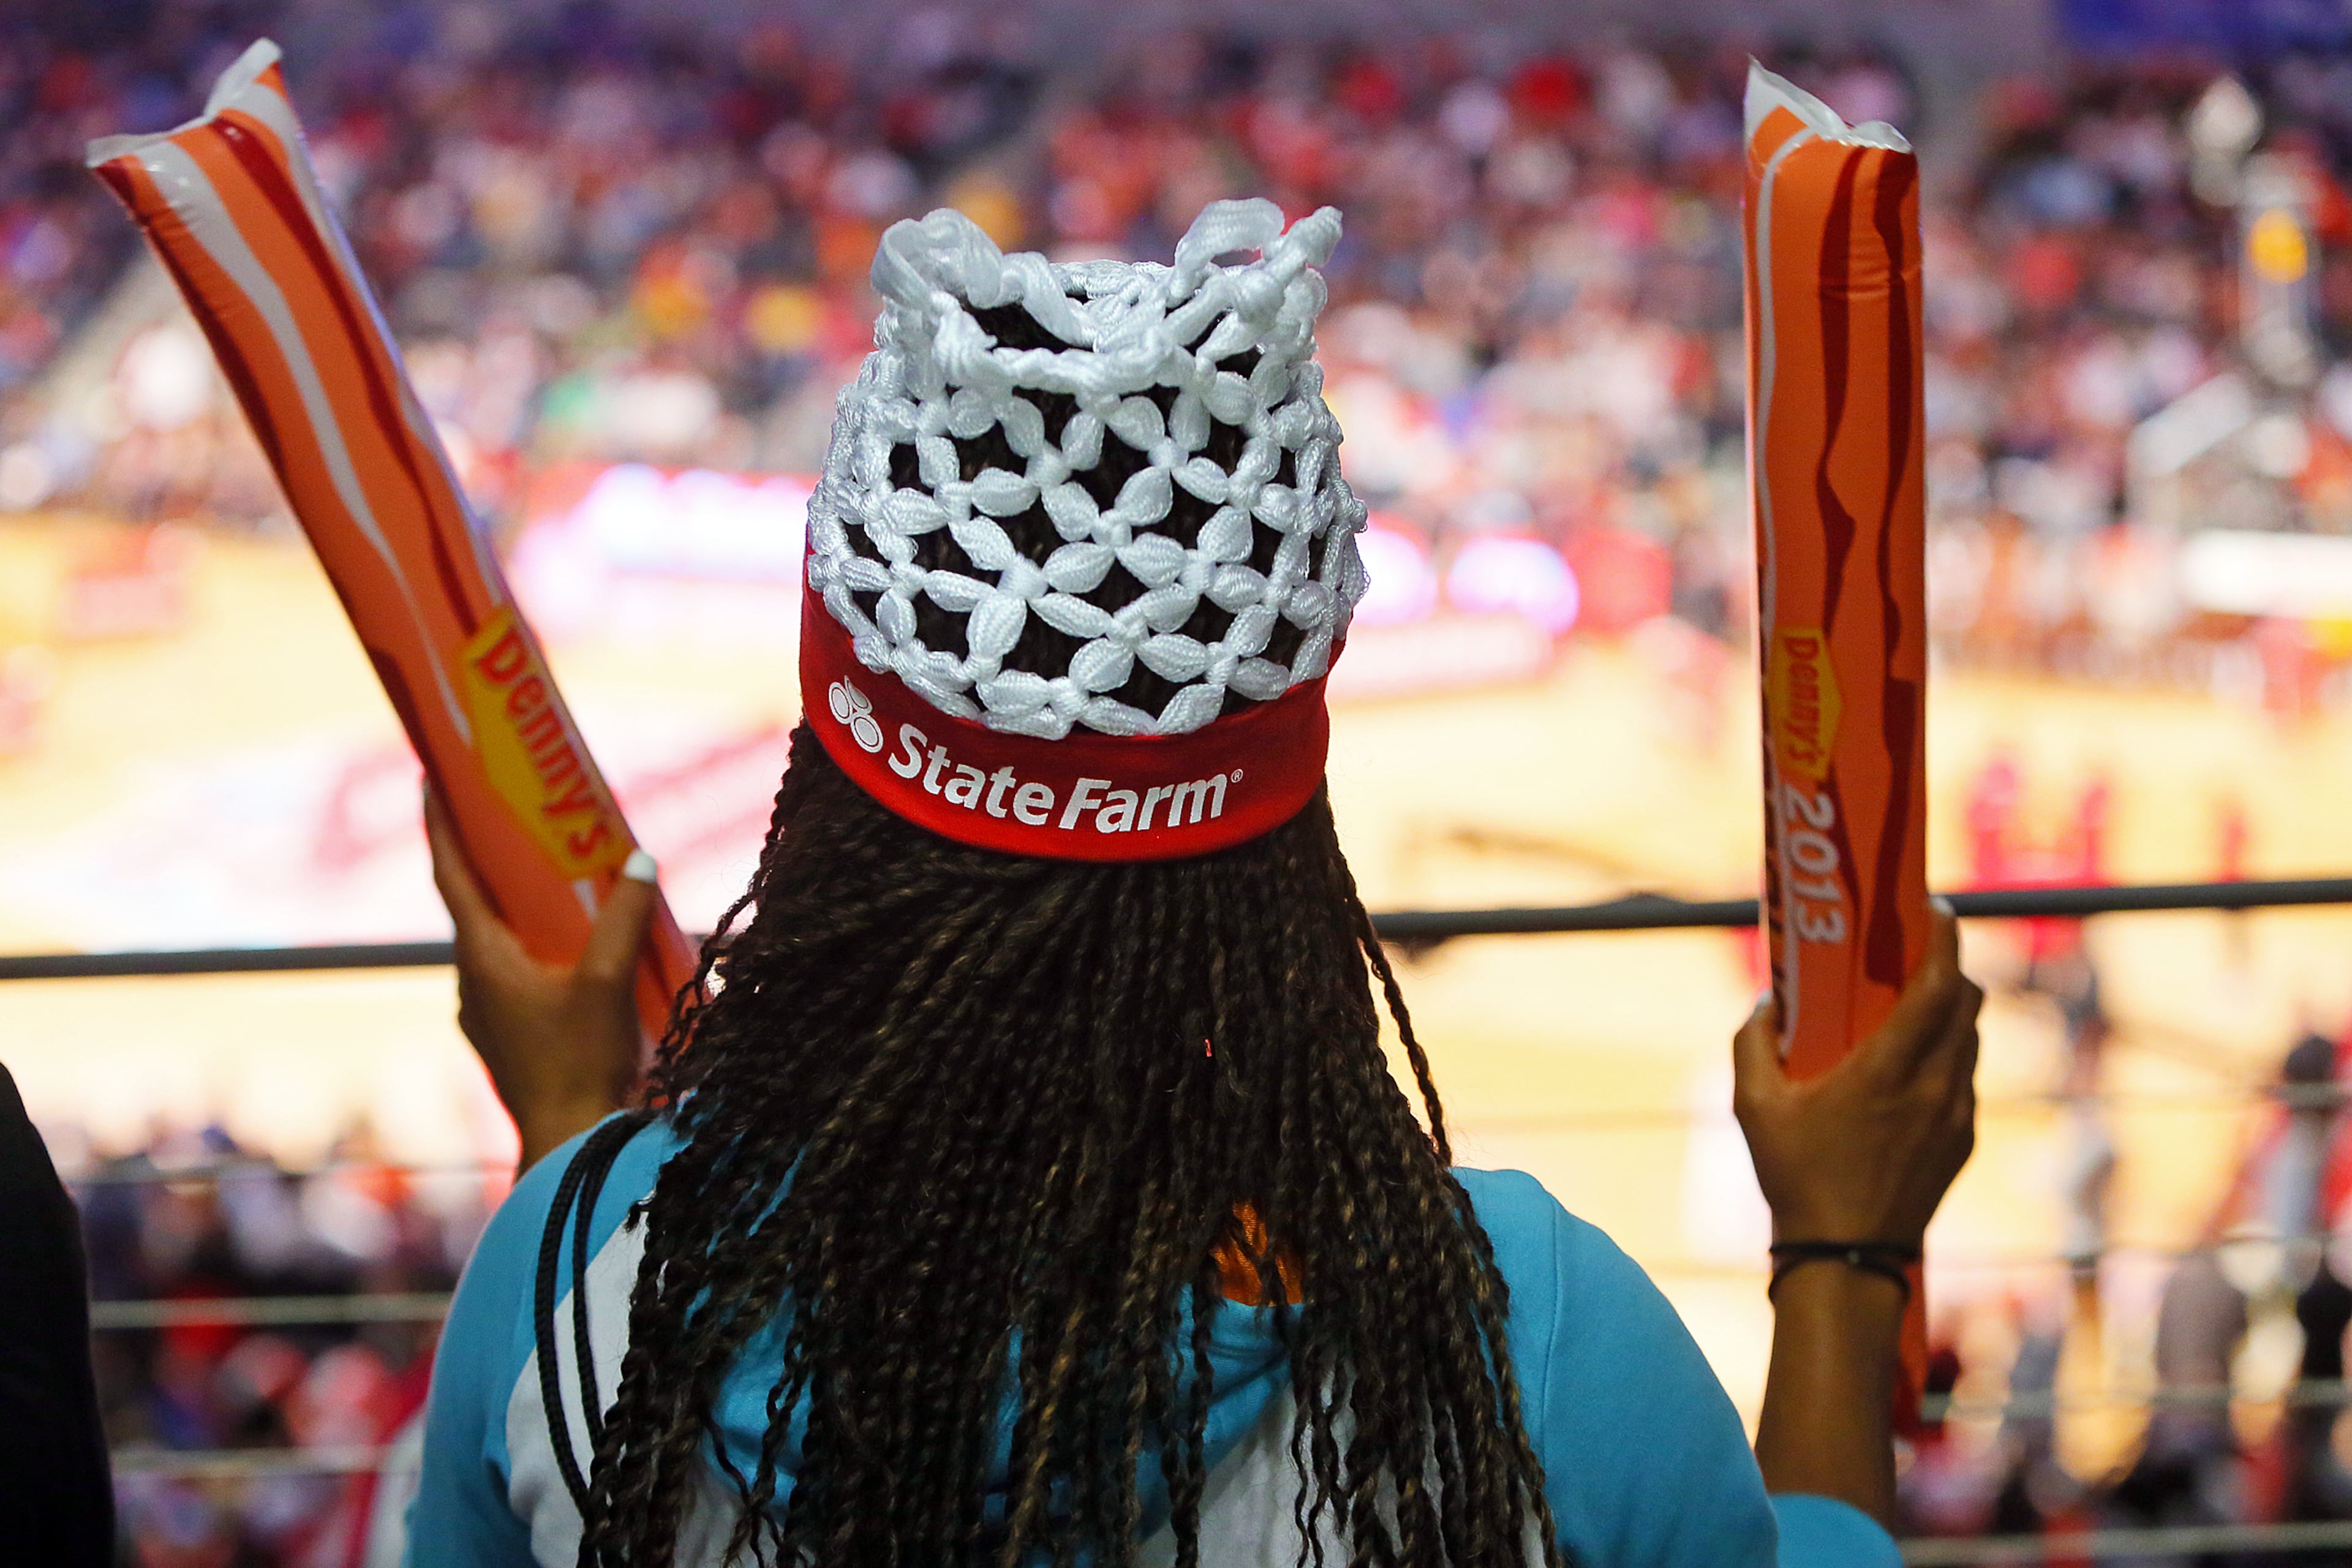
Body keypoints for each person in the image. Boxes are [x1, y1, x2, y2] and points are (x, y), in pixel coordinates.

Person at [405, 202, 1983, 1567]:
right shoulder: (1534, 1345)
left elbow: (570, 1434)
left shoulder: (567, 1282)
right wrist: (1843, 1257)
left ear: (826, 773)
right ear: (1288, 799)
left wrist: (580, 1144)